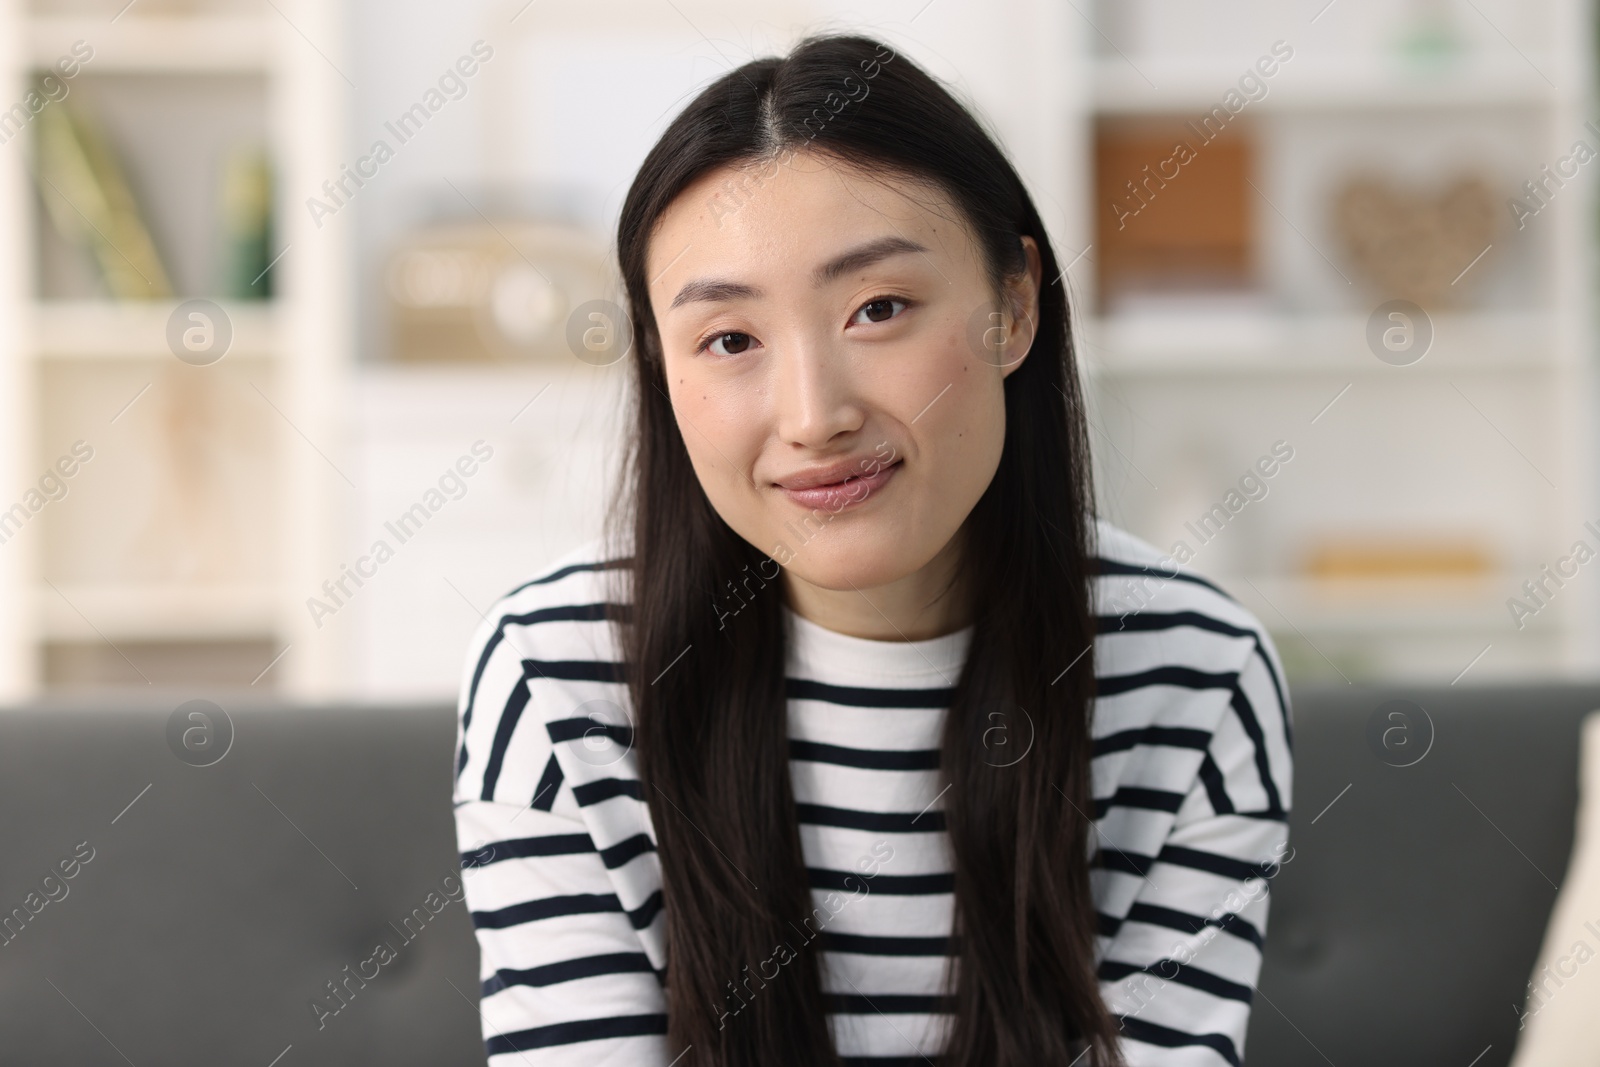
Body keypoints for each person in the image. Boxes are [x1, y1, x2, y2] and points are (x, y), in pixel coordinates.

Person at [452, 32, 1292, 1067]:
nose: (813, 415)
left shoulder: (1193, 675)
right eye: (729, 339)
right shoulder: (560, 679)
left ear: (1014, 305)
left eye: (879, 309)